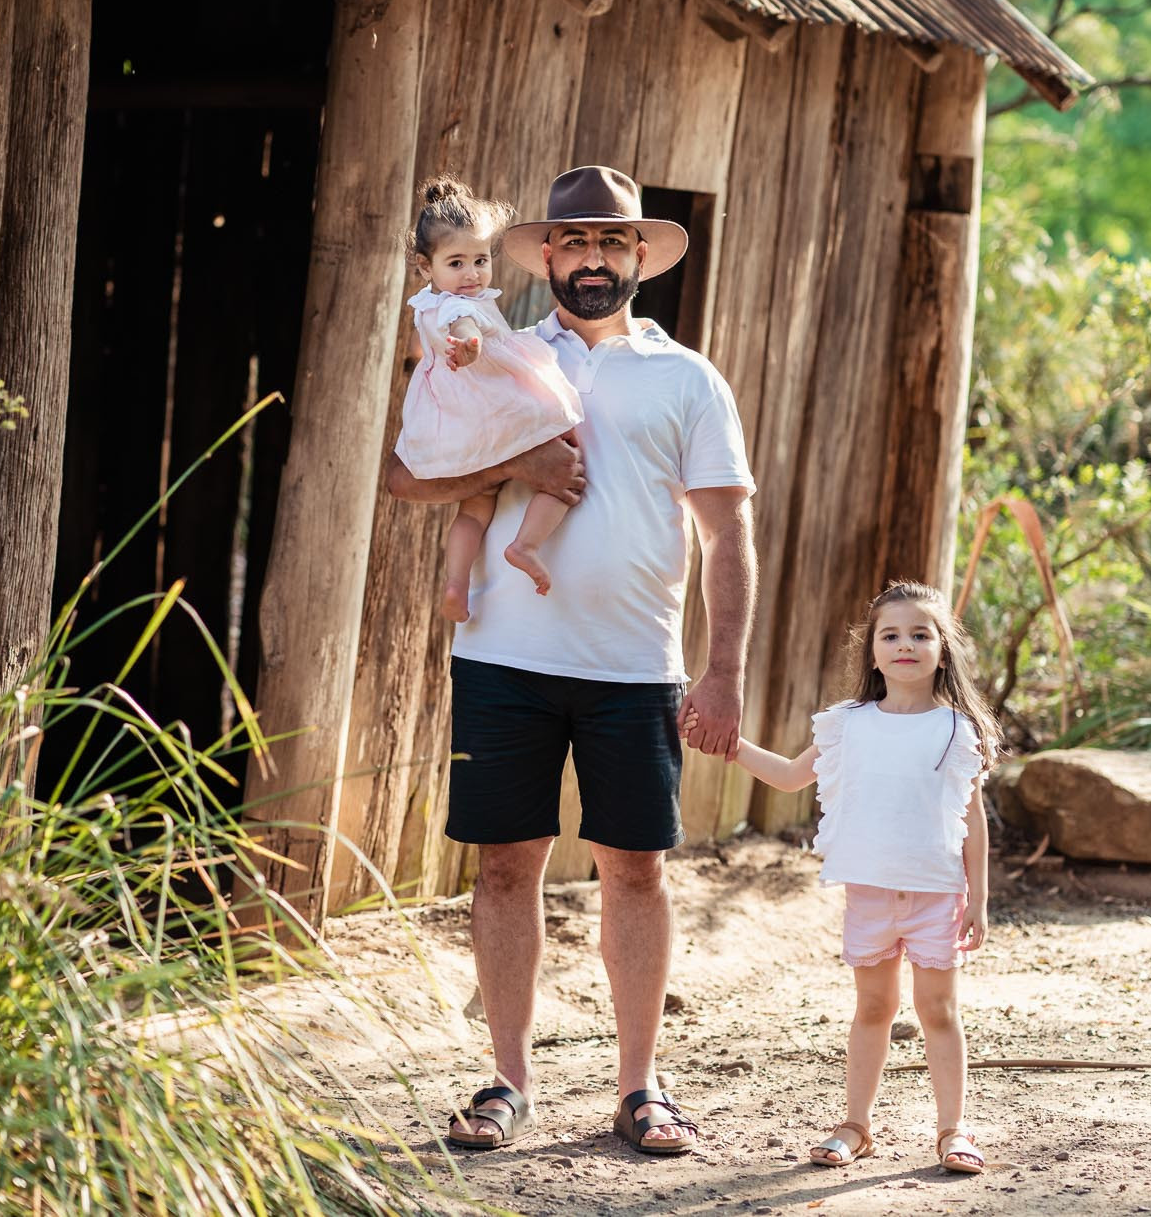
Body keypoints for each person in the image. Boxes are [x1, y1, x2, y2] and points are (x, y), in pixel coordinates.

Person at [385, 165, 756, 1156]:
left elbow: (727, 538)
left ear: (638, 256)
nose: (591, 259)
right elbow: (403, 473)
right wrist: (512, 465)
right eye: (574, 242)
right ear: (545, 254)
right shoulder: (488, 350)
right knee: (505, 869)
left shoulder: (686, 378)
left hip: (635, 665)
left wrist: (719, 673)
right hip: (502, 658)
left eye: (611, 243)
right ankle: (507, 1079)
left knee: (633, 871)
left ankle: (640, 1086)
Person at [710, 580, 998, 1176]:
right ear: (872, 652)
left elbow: (972, 822)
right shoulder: (848, 724)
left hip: (937, 893)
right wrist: (730, 746)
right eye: (890, 635)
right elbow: (790, 776)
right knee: (873, 1007)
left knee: (938, 1010)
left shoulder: (956, 729)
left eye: (921, 634)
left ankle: (952, 1130)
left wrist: (979, 899)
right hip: (870, 893)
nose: (905, 645)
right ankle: (856, 1125)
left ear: (943, 648)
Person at [394, 176, 584, 621]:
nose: (472, 274)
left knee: (475, 508)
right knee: (568, 465)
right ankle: (526, 545)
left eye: (480, 260)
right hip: (499, 410)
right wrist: (472, 346)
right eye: (456, 263)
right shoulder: (458, 307)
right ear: (426, 267)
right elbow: (466, 329)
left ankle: (456, 584)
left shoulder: (430, 305)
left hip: (463, 422)